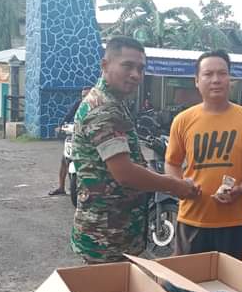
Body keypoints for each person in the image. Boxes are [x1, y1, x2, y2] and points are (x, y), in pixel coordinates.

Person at [71, 36, 200, 263]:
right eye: (127, 66)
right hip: (107, 237)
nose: (135, 75)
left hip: (117, 230)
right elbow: (125, 174)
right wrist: (175, 185)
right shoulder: (104, 109)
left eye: (140, 68)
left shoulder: (114, 102)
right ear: (105, 65)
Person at [165, 50, 242, 258]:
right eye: (208, 74)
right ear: (196, 80)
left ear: (230, 79)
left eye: (222, 73)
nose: (216, 80)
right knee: (188, 284)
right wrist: (181, 186)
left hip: (232, 222)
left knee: (229, 285)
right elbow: (172, 163)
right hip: (192, 218)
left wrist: (240, 189)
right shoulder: (183, 120)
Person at [49, 86, 92, 196]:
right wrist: (61, 126)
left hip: (92, 140)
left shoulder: (97, 106)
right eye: (83, 96)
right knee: (64, 160)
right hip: (77, 137)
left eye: (87, 95)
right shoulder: (78, 104)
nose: (84, 98)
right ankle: (61, 187)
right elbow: (69, 116)